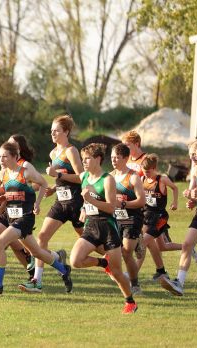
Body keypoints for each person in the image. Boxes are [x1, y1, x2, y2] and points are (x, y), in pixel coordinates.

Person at [0, 142, 72, 295]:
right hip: (10, 216)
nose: (1, 159)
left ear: (15, 157)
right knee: (37, 252)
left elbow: (43, 184)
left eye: (5, 156)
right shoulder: (2, 174)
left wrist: (37, 203)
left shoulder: (25, 172)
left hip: (25, 218)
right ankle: (64, 269)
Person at [69, 143, 137, 314]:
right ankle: (102, 262)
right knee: (75, 261)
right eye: (83, 159)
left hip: (108, 227)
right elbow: (87, 200)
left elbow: (111, 208)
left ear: (98, 159)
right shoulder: (84, 176)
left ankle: (130, 302)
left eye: (87, 159)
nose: (83, 162)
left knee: (117, 272)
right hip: (91, 226)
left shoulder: (108, 179)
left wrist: (91, 200)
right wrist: (84, 209)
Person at [22, 114, 84, 293]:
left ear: (66, 131)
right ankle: (37, 281)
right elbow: (61, 180)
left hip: (76, 202)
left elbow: (82, 177)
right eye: (51, 131)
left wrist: (58, 176)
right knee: (41, 238)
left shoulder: (71, 151)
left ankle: (120, 267)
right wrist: (54, 188)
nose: (53, 134)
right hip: (60, 202)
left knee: (93, 243)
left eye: (56, 131)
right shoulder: (53, 153)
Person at [160, 140, 197, 296]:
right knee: (187, 245)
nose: (196, 160)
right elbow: (195, 193)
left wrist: (196, 193)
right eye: (194, 157)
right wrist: (193, 199)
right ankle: (179, 283)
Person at [109, 143, 146, 294]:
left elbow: (142, 201)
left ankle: (135, 285)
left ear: (125, 158)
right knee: (113, 252)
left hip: (132, 218)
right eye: (112, 157)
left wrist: (123, 203)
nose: (114, 160)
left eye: (117, 157)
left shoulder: (133, 177)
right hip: (116, 218)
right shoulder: (110, 176)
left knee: (125, 253)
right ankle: (138, 240)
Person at [140, 154, 179, 282]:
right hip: (147, 216)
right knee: (162, 247)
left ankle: (132, 275)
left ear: (154, 168)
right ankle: (188, 248)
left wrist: (175, 202)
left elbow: (175, 188)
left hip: (160, 217)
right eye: (144, 171)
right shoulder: (142, 180)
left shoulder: (162, 179)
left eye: (148, 172)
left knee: (142, 243)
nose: (146, 174)